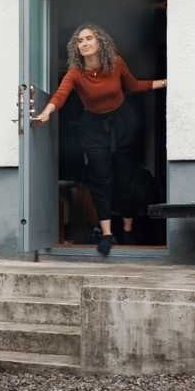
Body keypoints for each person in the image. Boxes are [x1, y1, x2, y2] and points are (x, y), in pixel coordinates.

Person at [33, 24, 166, 256]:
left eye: (88, 38)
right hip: (93, 126)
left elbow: (133, 86)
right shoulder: (75, 72)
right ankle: (107, 234)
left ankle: (127, 228)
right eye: (79, 40)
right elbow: (61, 94)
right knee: (100, 178)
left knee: (126, 177)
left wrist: (164, 83)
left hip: (122, 121)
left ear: (99, 42)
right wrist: (47, 111)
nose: (83, 43)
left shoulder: (115, 63)